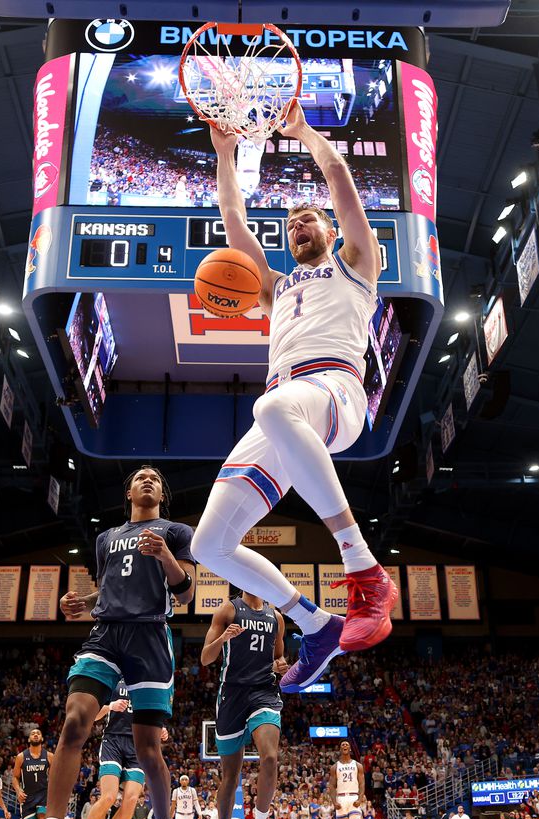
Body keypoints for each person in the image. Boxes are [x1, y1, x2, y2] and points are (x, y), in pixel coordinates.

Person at [192, 103, 397, 693]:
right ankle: (317, 625)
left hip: (335, 391)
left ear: (330, 231)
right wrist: (225, 153)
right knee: (210, 545)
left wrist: (306, 132)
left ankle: (363, 568)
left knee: (272, 408)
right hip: (287, 408)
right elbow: (233, 215)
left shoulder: (357, 264)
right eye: (291, 225)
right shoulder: (275, 289)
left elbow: (340, 182)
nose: (298, 226)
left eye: (308, 220)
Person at [6, 465, 196, 819]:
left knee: (147, 748)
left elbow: (186, 591)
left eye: (156, 478)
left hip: (149, 636)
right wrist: (84, 600)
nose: (149, 480)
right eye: (141, 477)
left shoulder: (177, 532)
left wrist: (164, 555)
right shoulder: (106, 538)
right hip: (105, 633)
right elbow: (110, 589)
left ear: (162, 493)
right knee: (75, 722)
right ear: (128, 491)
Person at [201, 591, 287, 819]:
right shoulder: (227, 610)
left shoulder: (276, 617)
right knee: (230, 778)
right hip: (232, 695)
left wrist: (281, 666)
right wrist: (223, 638)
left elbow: (278, 660)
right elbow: (205, 658)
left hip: (263, 692)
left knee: (271, 758)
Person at [64, 684, 163, 819]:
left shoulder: (148, 684)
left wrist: (160, 730)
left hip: (137, 746)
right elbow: (92, 715)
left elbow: (152, 716)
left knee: (131, 801)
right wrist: (111, 706)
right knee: (109, 797)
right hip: (113, 741)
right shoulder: (113, 681)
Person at [13, 729, 54, 819]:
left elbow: (54, 777)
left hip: (43, 795)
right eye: (33, 733)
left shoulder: (50, 756)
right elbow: (15, 777)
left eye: (38, 733)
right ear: (28, 739)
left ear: (41, 738)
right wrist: (18, 790)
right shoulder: (21, 757)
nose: (35, 735)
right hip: (27, 797)